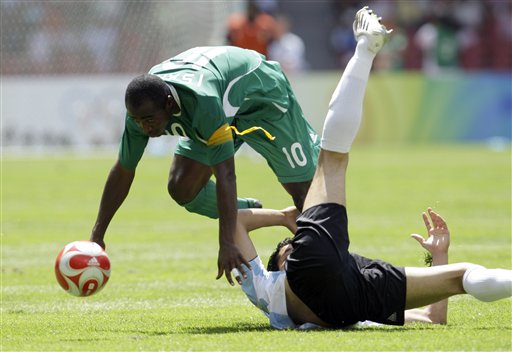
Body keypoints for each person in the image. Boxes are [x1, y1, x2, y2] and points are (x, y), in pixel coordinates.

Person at [230, 6, 512, 329]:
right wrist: (283, 218)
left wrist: (440, 257)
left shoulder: (331, 296)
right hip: (325, 274)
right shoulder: (267, 286)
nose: (292, 242)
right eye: (288, 249)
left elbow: (434, 319)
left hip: (347, 297)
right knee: (331, 159)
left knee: (461, 276)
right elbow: (236, 221)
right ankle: (365, 47)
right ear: (282, 266)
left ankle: (366, 48)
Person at [89, 45, 320, 285]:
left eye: (149, 120)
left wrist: (227, 243)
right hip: (222, 102)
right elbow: (123, 171)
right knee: (182, 187)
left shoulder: (201, 102)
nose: (144, 128)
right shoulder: (140, 110)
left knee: (304, 195)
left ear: (169, 104)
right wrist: (97, 235)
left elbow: (226, 175)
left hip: (260, 93)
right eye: (138, 122)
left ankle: (327, 267)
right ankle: (246, 211)